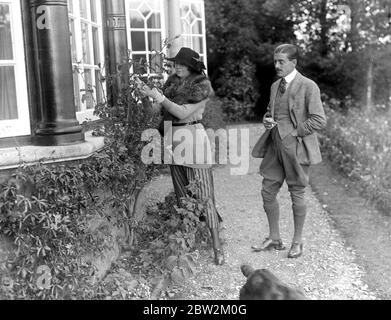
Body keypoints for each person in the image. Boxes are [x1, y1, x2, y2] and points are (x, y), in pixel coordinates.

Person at [139, 47, 225, 265]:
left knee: (205, 197)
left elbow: (183, 113)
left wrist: (160, 97)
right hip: (172, 141)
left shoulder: (201, 88)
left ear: (192, 66)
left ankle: (217, 246)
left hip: (194, 140)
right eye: (175, 63)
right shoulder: (171, 86)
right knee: (182, 197)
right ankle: (190, 242)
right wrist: (147, 98)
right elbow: (154, 113)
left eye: (181, 63)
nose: (176, 66)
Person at [251, 44, 327, 259]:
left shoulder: (308, 86)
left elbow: (319, 119)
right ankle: (274, 238)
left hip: (296, 148)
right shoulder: (275, 86)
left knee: (297, 192)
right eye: (275, 61)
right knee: (267, 191)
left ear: (294, 63)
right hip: (274, 146)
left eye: (281, 61)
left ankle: (297, 242)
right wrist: (267, 119)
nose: (276, 65)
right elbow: (270, 111)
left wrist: (296, 132)